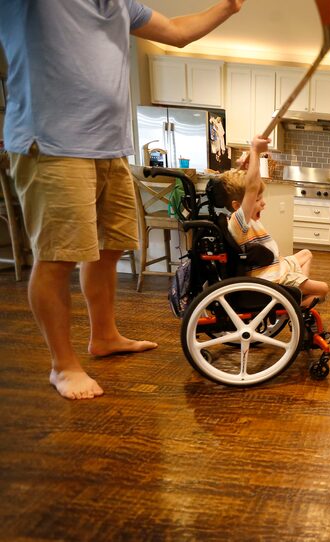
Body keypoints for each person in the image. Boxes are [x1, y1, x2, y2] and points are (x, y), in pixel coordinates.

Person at [0, 0, 246, 400]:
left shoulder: (120, 4)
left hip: (110, 148)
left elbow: (178, 32)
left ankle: (104, 336)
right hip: (53, 145)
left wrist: (229, 7)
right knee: (57, 256)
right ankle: (62, 366)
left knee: (110, 248)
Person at [219, 137, 329, 308]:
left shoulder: (244, 221)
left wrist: (249, 165)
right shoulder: (238, 222)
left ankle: (297, 293)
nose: (263, 203)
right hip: (270, 277)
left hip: (277, 266)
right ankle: (296, 303)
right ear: (237, 206)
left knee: (306, 254)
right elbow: (252, 188)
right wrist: (255, 151)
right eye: (257, 200)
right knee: (323, 289)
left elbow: (251, 186)